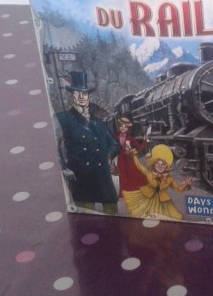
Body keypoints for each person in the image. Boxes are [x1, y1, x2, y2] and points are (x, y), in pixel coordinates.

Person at [55, 70, 119, 214]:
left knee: (112, 214)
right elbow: (53, 145)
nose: (81, 97)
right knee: (85, 217)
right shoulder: (63, 119)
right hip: (82, 178)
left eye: (84, 93)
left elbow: (115, 144)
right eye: (77, 93)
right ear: (72, 95)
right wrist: (63, 167)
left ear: (89, 96)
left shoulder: (99, 123)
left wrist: (109, 156)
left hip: (103, 178)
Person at [122, 144, 192, 220]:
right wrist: (134, 156)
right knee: (146, 215)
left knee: (175, 217)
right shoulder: (149, 173)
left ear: (167, 167)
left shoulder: (169, 178)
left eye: (163, 164)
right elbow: (139, 166)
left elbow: (178, 189)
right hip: (148, 199)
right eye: (158, 164)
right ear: (154, 165)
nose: (160, 166)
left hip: (164, 202)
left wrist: (185, 185)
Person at [112, 116, 147, 197]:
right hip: (121, 158)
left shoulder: (131, 139)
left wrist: (144, 141)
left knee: (132, 173)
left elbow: (139, 147)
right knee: (122, 174)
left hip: (129, 158)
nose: (123, 128)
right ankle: (123, 192)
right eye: (121, 126)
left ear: (128, 128)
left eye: (125, 127)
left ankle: (134, 190)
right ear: (119, 127)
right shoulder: (115, 137)